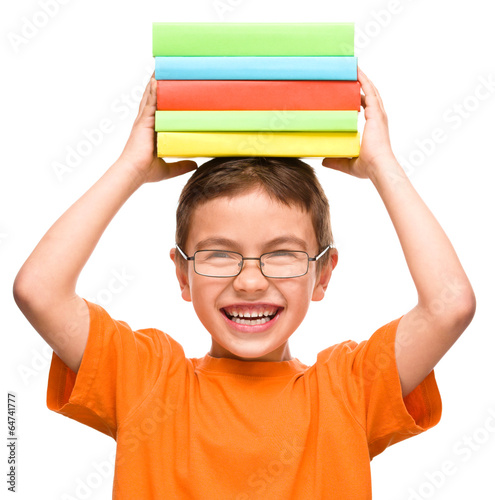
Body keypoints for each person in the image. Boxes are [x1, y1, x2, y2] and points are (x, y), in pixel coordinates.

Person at [13, 68, 476, 499]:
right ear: (183, 274)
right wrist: (130, 168)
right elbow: (39, 291)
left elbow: (450, 304)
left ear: (323, 273)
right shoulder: (146, 381)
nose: (250, 281)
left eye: (282, 254)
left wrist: (383, 166)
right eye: (219, 254)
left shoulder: (350, 390)